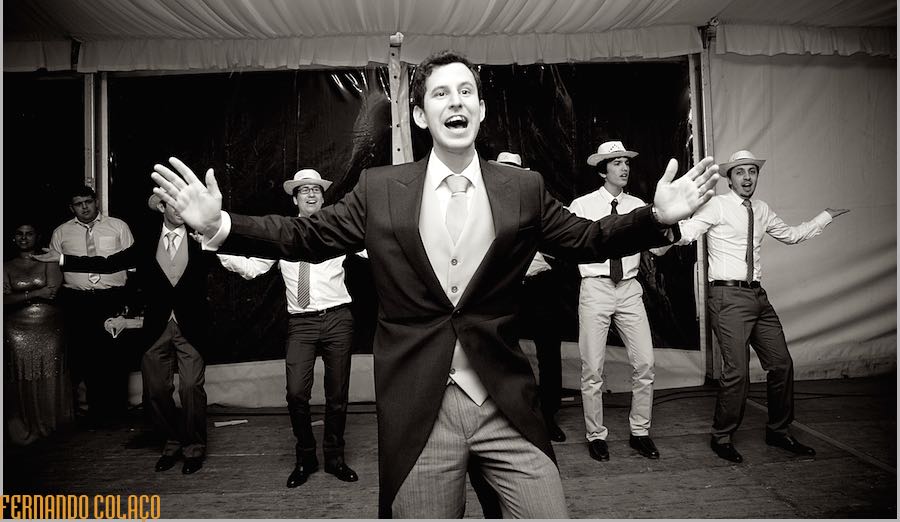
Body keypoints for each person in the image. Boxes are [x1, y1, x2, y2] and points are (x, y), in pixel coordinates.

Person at [151, 50, 720, 518]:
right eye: (441, 93)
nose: (456, 101)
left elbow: (588, 239)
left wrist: (657, 219)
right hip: (421, 406)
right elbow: (305, 237)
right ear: (421, 116)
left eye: (466, 91)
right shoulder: (380, 188)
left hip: (502, 400)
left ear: (479, 110)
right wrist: (220, 226)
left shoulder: (522, 188)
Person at [676, 150, 849, 463]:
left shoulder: (763, 208)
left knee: (781, 364)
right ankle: (722, 436)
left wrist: (825, 215)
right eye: (740, 172)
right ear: (730, 179)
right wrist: (665, 225)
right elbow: (688, 232)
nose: (746, 177)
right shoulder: (716, 205)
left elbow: (792, 236)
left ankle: (778, 431)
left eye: (752, 172)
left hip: (758, 297)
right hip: (727, 298)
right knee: (737, 373)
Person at [39, 193, 217, 474]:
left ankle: (194, 448)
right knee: (156, 391)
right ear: (162, 207)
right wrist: (63, 259)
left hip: (191, 327)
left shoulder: (203, 239)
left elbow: (226, 256)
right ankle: (171, 443)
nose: (181, 210)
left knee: (191, 387)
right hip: (156, 327)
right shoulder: (146, 240)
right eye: (174, 204)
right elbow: (109, 262)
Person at [218, 169, 360, 488]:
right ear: (295, 198)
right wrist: (219, 248)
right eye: (304, 190)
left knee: (337, 395)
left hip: (338, 318)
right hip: (302, 323)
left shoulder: (339, 229)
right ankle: (306, 457)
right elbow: (254, 268)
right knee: (296, 394)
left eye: (316, 190)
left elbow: (372, 248)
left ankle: (335, 458)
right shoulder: (282, 235)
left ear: (323, 198)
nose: (311, 194)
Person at [568, 140, 671, 462]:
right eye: (616, 163)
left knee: (645, 364)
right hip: (595, 289)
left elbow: (657, 249)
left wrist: (670, 224)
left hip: (628, 288)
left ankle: (640, 431)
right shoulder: (582, 206)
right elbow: (568, 245)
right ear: (602, 170)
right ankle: (596, 435)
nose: (624, 168)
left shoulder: (639, 205)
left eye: (626, 162)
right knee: (592, 368)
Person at [493, 151, 565, 442]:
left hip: (539, 285)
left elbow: (565, 238)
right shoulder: (484, 209)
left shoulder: (538, 206)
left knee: (549, 352)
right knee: (500, 352)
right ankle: (509, 417)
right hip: (504, 288)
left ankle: (548, 415)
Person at [50, 185, 134, 426]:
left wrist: (128, 302)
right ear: (71, 207)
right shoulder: (61, 233)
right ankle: (96, 414)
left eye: (88, 201)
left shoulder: (118, 226)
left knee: (116, 356)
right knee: (87, 356)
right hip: (79, 301)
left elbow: (132, 266)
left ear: (96, 202)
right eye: (79, 203)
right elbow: (55, 268)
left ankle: (118, 412)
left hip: (112, 298)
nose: (85, 207)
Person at [3, 221, 72, 445]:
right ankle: (25, 426)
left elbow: (51, 292)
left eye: (29, 234)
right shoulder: (5, 266)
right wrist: (35, 293)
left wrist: (20, 295)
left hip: (50, 327)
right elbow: (3, 302)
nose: (24, 238)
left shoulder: (48, 260)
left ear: (37, 237)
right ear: (13, 238)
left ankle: (52, 426)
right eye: (19, 234)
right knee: (22, 373)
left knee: (49, 372)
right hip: (15, 329)